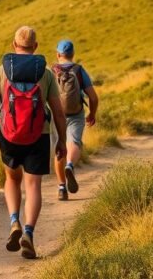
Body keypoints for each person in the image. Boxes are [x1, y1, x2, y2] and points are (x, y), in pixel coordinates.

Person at [0, 26, 67, 260]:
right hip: (40, 135)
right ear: (35, 46)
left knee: (11, 178)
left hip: (9, 136)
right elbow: (58, 112)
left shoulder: (1, 71)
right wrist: (62, 142)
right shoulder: (46, 73)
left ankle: (14, 221)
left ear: (13, 44)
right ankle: (28, 232)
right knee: (33, 186)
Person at [52, 39, 99, 201]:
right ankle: (70, 165)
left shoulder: (51, 71)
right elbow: (93, 97)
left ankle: (61, 188)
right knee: (74, 143)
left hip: (56, 115)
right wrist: (92, 114)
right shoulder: (79, 70)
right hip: (76, 113)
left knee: (59, 148)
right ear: (72, 54)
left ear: (58, 54)